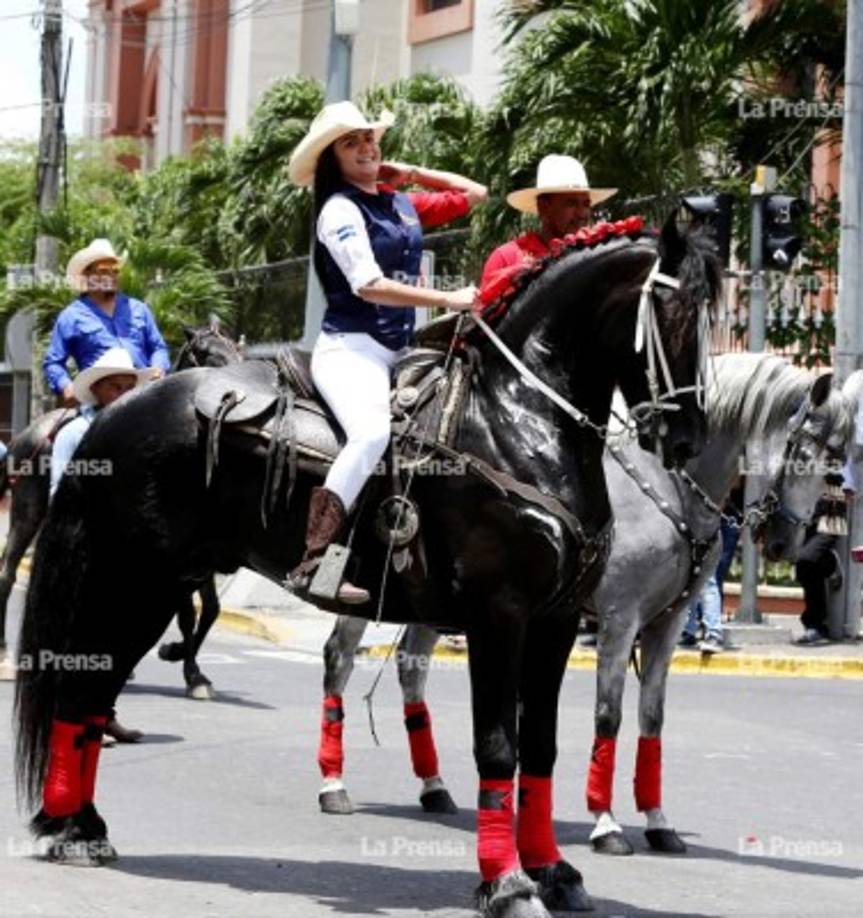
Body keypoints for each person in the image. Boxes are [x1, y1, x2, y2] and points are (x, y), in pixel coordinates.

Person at [286, 101, 486, 604]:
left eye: (369, 139)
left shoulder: (400, 202)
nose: (366, 148)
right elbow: (369, 285)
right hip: (351, 350)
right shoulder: (338, 210)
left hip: (400, 351)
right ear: (332, 159)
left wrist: (410, 171)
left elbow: (475, 194)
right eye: (351, 143)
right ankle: (313, 561)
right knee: (373, 432)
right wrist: (446, 298)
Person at [50, 347, 150, 743]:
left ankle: (102, 714)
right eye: (116, 387)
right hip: (83, 547)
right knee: (77, 640)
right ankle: (66, 719)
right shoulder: (75, 433)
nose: (124, 394)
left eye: (130, 387)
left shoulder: (142, 435)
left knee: (115, 639)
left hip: (124, 548)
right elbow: (59, 493)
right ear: (98, 390)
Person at [43, 239, 171, 404]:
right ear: (87, 276)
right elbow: (53, 362)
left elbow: (158, 347)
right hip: (100, 402)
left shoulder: (139, 309)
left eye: (115, 270)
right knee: (73, 431)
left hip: (143, 395)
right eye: (104, 270)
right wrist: (66, 386)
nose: (111, 275)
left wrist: (159, 368)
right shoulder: (71, 316)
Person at [480, 154, 616, 293]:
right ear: (543, 207)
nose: (581, 213)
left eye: (586, 204)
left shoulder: (598, 255)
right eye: (571, 203)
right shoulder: (506, 258)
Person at [794, 466, 855, 645]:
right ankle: (815, 625)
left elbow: (848, 483)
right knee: (804, 567)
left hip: (832, 513)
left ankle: (829, 564)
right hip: (809, 513)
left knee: (806, 558)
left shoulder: (842, 449)